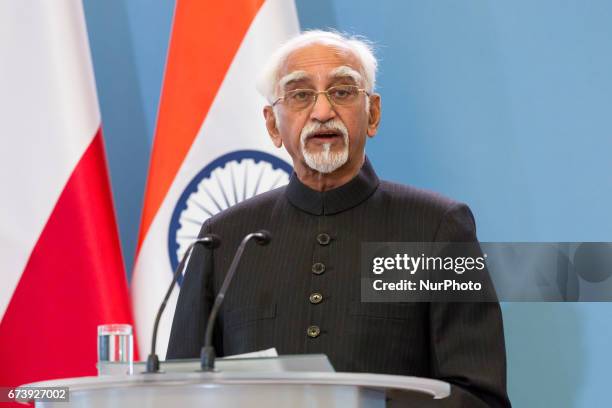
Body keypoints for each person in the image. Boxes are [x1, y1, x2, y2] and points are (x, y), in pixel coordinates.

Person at [168, 30, 511, 407]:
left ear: (373, 114)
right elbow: (179, 394)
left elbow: (479, 398)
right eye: (300, 95)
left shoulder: (438, 228)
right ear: (272, 125)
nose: (322, 111)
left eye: (343, 91)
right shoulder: (223, 238)